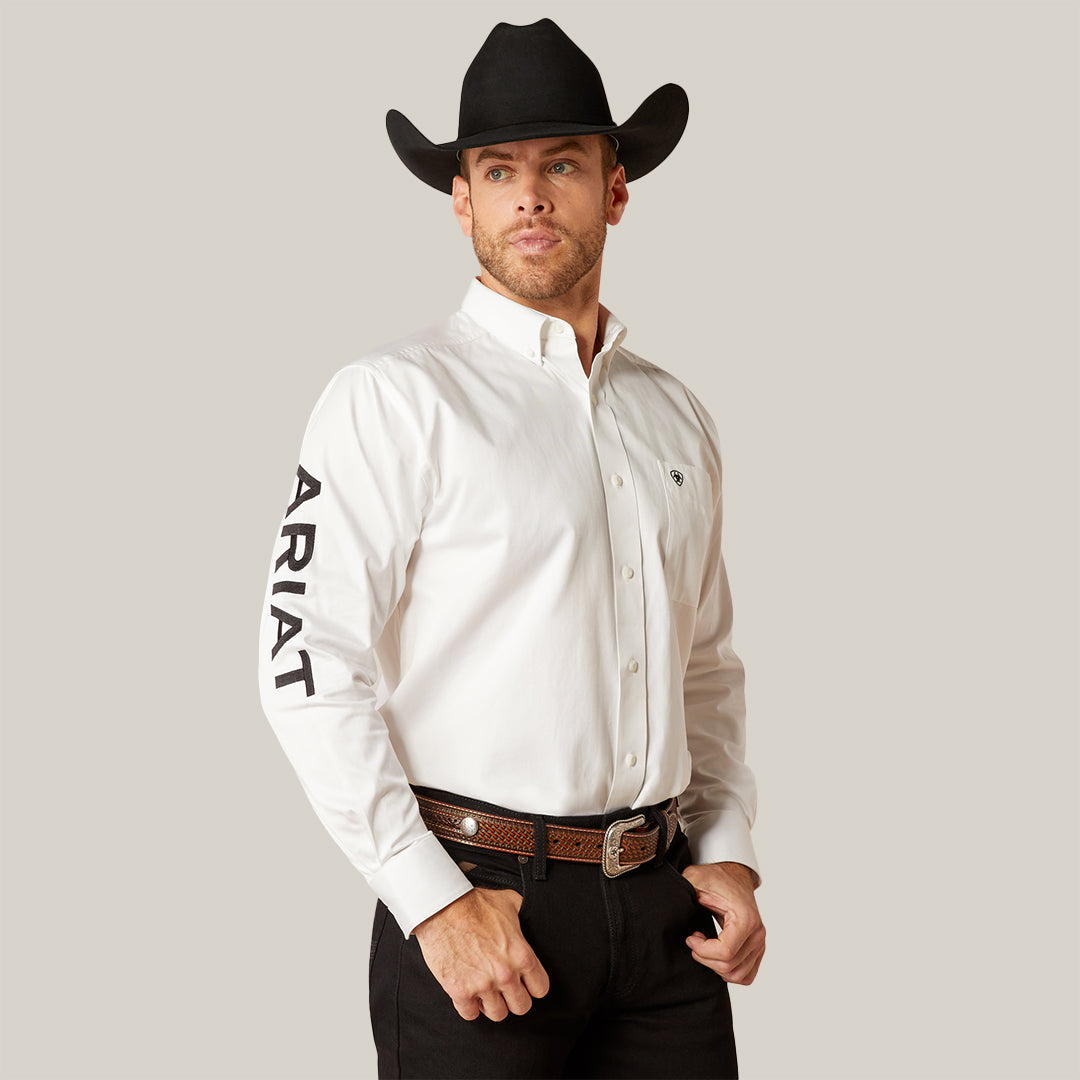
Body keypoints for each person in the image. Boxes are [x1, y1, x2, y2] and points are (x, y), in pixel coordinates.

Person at [258, 17, 765, 1080]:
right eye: (500, 171)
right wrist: (431, 902)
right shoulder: (391, 401)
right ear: (463, 202)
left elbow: (705, 662)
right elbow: (305, 667)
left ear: (615, 189)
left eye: (564, 165)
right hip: (484, 913)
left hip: (665, 920)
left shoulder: (675, 417)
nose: (531, 197)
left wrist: (725, 854)